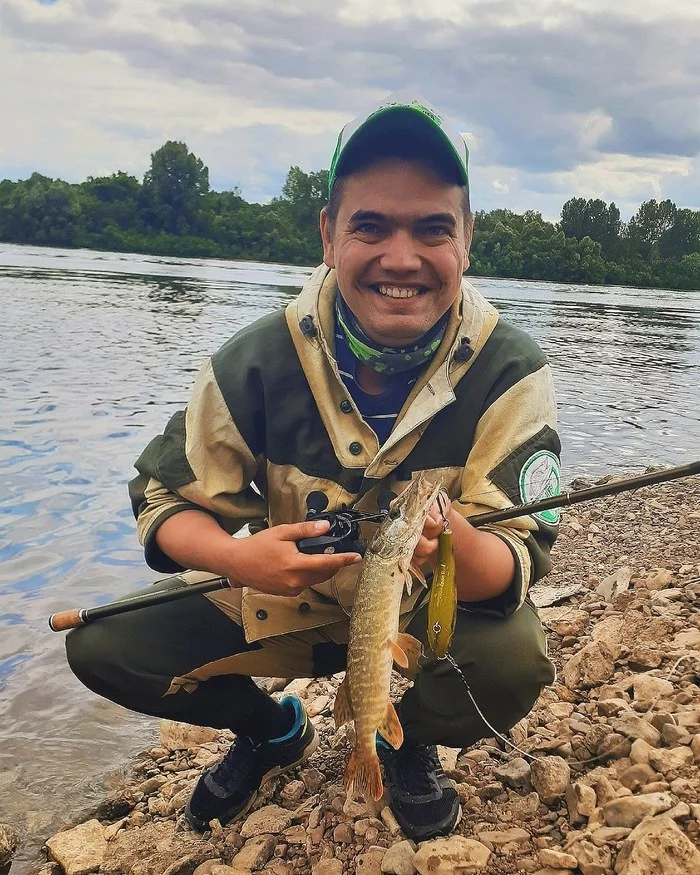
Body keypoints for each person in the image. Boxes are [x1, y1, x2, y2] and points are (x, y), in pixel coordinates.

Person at [66, 91, 559, 843]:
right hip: (281, 602)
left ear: (467, 241)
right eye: (371, 226)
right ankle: (271, 730)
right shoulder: (255, 359)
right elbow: (164, 501)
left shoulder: (511, 370)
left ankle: (403, 737)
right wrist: (237, 556)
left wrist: (456, 540)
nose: (402, 257)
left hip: (417, 615)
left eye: (433, 229)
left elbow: (520, 557)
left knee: (515, 656)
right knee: (102, 646)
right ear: (329, 234)